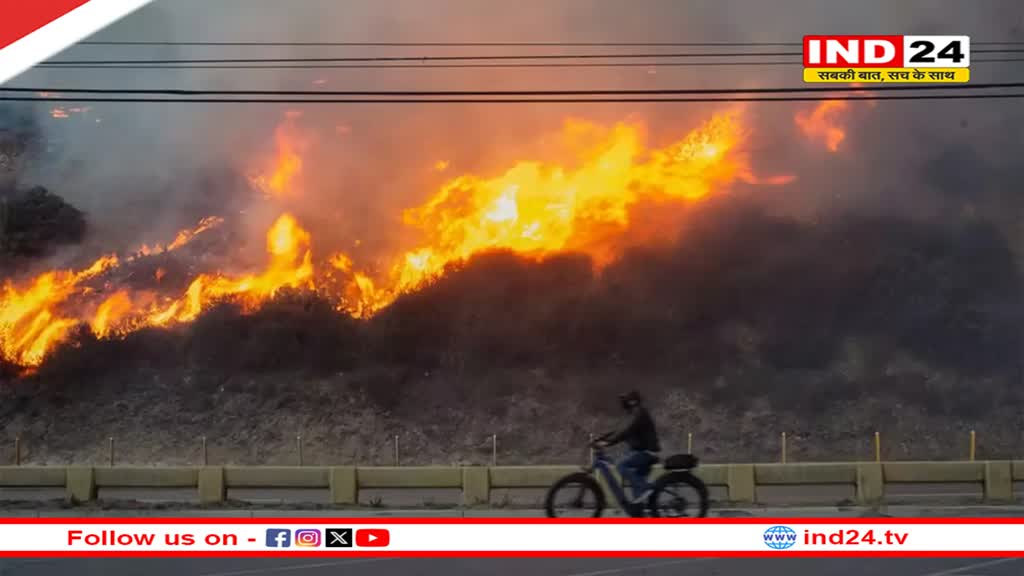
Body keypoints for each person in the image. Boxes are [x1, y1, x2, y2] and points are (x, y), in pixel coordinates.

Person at [596, 390, 661, 505]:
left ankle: (645, 487)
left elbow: (626, 431)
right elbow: (618, 430)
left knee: (621, 465)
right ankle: (639, 512)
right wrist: (600, 439)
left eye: (626, 400)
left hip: (647, 453)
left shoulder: (639, 413)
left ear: (633, 402)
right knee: (636, 492)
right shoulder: (633, 414)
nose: (623, 403)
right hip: (641, 452)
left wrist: (608, 443)